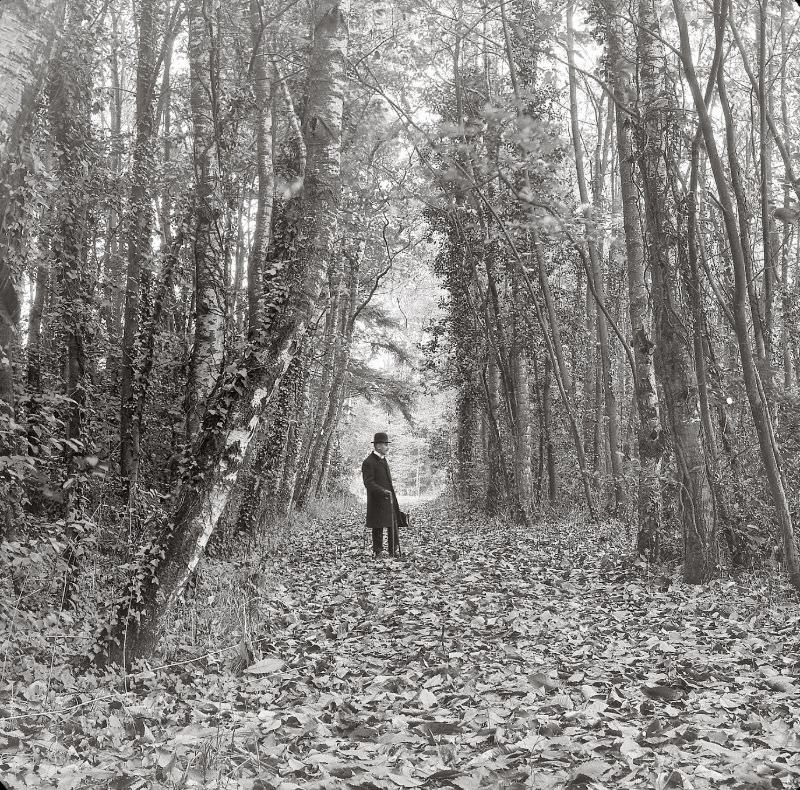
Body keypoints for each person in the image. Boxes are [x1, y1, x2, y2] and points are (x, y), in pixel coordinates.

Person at [361, 431, 402, 558]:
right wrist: (382, 491)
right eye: (385, 445)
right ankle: (377, 551)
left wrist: (390, 494)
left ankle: (393, 550)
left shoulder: (384, 460)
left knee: (393, 524)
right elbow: (368, 483)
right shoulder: (368, 462)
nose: (387, 447)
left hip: (389, 499)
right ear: (378, 446)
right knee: (377, 526)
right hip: (377, 500)